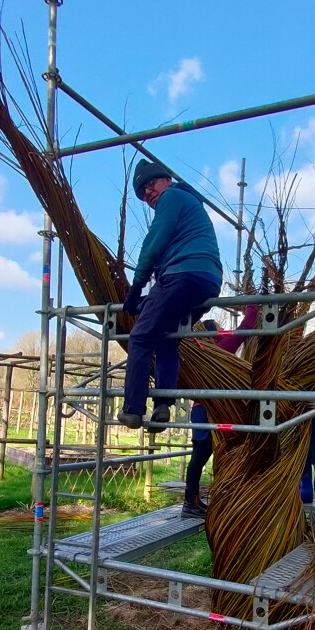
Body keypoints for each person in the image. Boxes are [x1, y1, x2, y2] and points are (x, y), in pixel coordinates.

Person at [119, 160, 223, 432]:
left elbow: (153, 242)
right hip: (207, 279)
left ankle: (132, 409)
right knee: (165, 340)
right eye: (142, 193)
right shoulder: (190, 206)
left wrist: (136, 287)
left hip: (183, 274)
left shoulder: (172, 196)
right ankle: (163, 407)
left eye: (150, 185)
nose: (148, 194)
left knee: (140, 337)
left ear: (165, 179)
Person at [182, 304, 258, 517]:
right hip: (206, 411)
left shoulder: (203, 355)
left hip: (201, 411)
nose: (224, 329)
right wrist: (253, 308)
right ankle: (190, 502)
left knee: (204, 453)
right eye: (220, 328)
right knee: (201, 454)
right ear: (214, 335)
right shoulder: (218, 352)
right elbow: (245, 329)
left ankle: (194, 500)